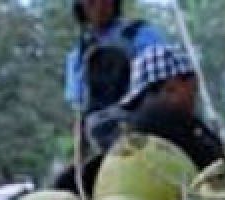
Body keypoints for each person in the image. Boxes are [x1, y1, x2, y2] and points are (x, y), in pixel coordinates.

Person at [65, 0, 166, 156]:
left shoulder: (141, 35)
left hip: (146, 133)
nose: (99, 7)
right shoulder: (79, 56)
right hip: (101, 141)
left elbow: (168, 88)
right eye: (91, 2)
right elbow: (79, 113)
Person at [119, 44, 224, 170]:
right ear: (171, 87)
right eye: (193, 90)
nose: (194, 98)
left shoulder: (132, 131)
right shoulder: (166, 126)